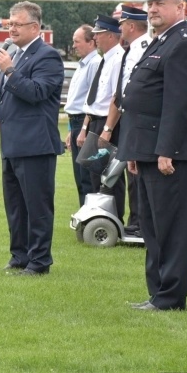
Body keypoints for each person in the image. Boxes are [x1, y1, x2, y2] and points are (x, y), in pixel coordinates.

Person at [118, 0, 187, 311]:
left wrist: (166, 150)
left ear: (180, 7)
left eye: (160, 3)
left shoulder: (184, 43)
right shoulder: (162, 40)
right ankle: (158, 293)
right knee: (153, 228)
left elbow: (179, 104)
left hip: (170, 154)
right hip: (148, 149)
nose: (152, 8)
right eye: (150, 3)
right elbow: (143, 99)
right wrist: (135, 151)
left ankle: (170, 297)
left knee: (171, 229)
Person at [0, 1, 64, 276]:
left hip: (35, 145)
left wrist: (10, 70)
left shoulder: (47, 56)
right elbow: (3, 95)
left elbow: (36, 92)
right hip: (12, 144)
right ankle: (19, 256)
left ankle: (39, 261)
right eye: (9, 23)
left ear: (34, 27)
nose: (11, 29)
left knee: (37, 207)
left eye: (17, 24)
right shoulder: (15, 53)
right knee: (15, 206)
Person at [102, 5, 151, 236]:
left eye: (122, 24)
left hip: (139, 118)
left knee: (138, 173)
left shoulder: (145, 48)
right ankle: (136, 221)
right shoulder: (131, 49)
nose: (119, 28)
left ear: (131, 26)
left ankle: (141, 223)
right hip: (129, 116)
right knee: (132, 172)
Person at [77, 14, 126, 221]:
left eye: (98, 34)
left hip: (109, 123)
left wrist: (107, 129)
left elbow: (117, 97)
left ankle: (112, 219)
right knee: (94, 174)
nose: (95, 38)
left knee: (110, 176)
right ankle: (99, 217)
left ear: (111, 35)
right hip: (96, 122)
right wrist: (86, 127)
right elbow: (95, 99)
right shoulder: (105, 59)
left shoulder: (119, 59)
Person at [63, 25, 99, 205]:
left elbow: (93, 101)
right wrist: (72, 129)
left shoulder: (94, 64)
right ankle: (85, 215)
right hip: (77, 123)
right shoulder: (83, 64)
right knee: (80, 177)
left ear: (91, 42)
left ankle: (91, 215)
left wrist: (84, 129)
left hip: (86, 123)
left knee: (88, 179)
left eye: (77, 41)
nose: (74, 45)